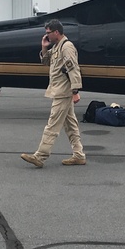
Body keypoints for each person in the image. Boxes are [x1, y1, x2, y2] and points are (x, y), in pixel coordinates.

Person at [20, 19, 86, 167]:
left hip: (63, 92)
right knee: (71, 125)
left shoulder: (66, 47)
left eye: (48, 33)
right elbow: (46, 61)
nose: (47, 35)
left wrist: (75, 91)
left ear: (57, 32)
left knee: (52, 125)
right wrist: (44, 47)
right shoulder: (57, 46)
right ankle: (79, 155)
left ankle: (40, 156)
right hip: (59, 90)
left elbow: (73, 69)